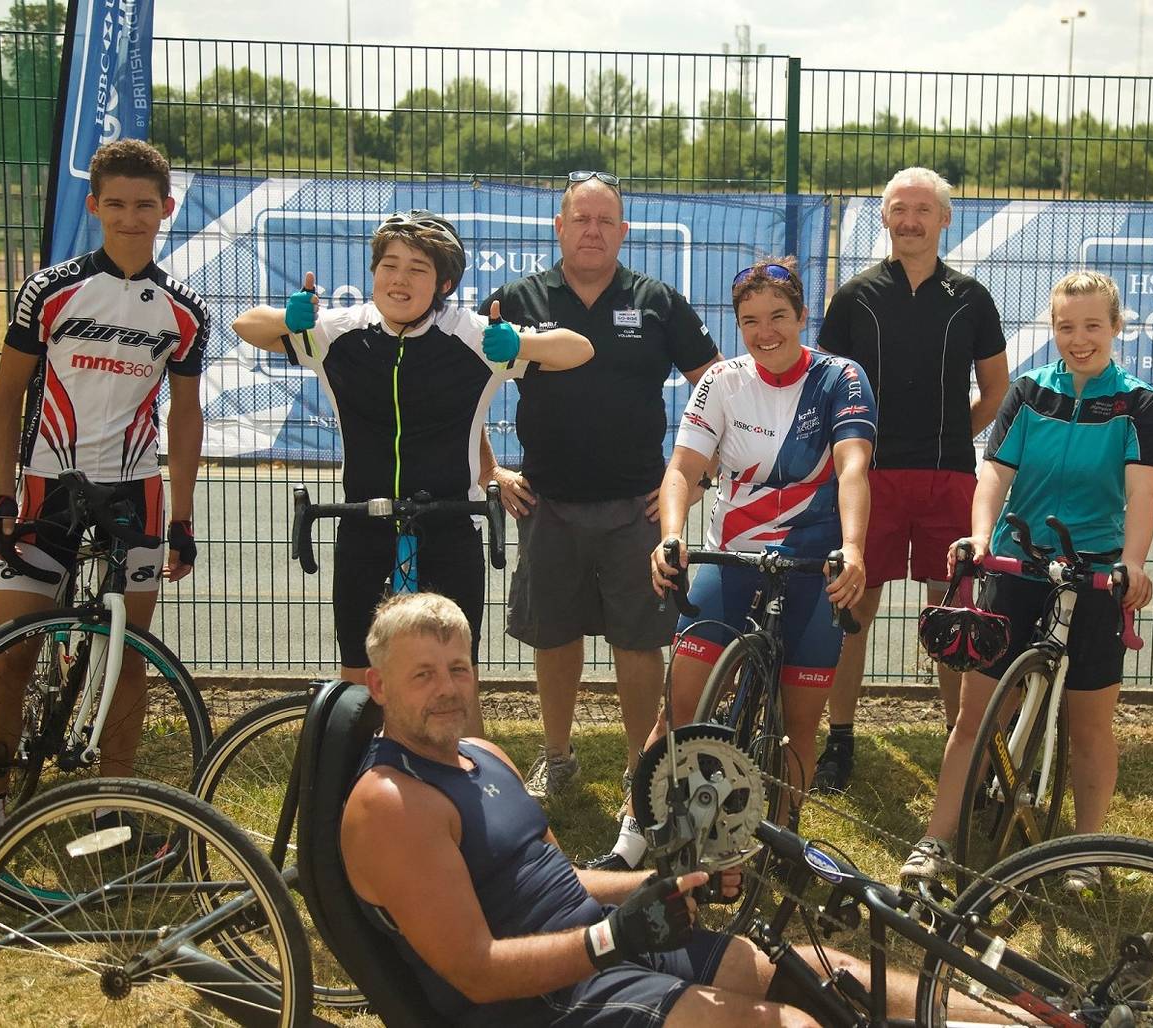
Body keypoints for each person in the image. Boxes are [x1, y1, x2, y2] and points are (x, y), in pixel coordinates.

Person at [342, 591, 1001, 1027]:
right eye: (422, 674)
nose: (448, 688)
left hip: (604, 947)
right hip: (546, 1003)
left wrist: (663, 886)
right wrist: (615, 937)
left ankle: (1030, 1019)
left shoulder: (482, 754)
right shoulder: (391, 804)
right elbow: (477, 973)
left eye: (458, 669)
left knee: (826, 976)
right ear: (377, 685)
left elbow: (560, 879)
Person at [231, 210, 593, 714]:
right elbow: (244, 325)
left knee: (455, 673)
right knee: (359, 672)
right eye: (389, 265)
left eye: (417, 269)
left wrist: (521, 343)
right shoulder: (339, 330)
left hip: (449, 525)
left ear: (443, 283)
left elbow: (579, 349)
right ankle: (361, 777)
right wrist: (288, 321)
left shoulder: (472, 334)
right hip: (364, 521)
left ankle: (461, 784)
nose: (399, 279)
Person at [589, 258, 875, 872]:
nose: (765, 331)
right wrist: (670, 536)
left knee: (800, 724)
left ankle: (784, 840)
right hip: (735, 556)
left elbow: (853, 466)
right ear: (737, 324)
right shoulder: (720, 382)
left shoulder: (840, 377)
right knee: (680, 708)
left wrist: (852, 548)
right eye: (750, 320)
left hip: (813, 565)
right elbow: (683, 472)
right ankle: (634, 835)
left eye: (778, 316)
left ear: (802, 316)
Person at [899, 270, 1153, 886]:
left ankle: (1088, 852)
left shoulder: (1137, 403)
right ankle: (937, 840)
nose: (1079, 339)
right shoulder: (1027, 392)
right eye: (1066, 326)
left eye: (1093, 326)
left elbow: (1143, 493)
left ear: (1116, 328)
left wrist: (1131, 562)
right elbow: (993, 474)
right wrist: (979, 535)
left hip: (1094, 569)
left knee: (1091, 725)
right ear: (1053, 329)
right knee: (977, 716)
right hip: (1016, 563)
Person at [0, 139, 207, 833]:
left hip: (134, 492)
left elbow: (187, 416)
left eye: (145, 205)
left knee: (128, 656)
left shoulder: (183, 309)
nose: (130, 217)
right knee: (9, 649)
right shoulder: (49, 290)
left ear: (166, 209)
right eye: (115, 203)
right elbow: (4, 395)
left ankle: (112, 809)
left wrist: (183, 518)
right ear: (95, 206)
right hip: (46, 486)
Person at [481, 171, 721, 799]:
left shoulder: (657, 301)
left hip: (637, 506)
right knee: (554, 637)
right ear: (558, 228)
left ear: (623, 232)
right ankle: (556, 758)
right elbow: (462, 388)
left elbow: (721, 389)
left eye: (604, 221)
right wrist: (490, 469)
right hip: (546, 502)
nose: (592, 231)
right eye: (579, 220)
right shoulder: (518, 299)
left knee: (638, 644)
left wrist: (688, 484)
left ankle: (640, 770)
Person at [812, 166, 1010, 793]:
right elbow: (824, 387)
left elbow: (997, 391)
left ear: (945, 219)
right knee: (854, 604)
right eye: (898, 209)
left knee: (952, 609)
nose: (910, 220)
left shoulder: (972, 299)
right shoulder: (854, 297)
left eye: (922, 209)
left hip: (950, 474)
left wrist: (954, 434)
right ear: (885, 218)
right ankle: (839, 738)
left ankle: (961, 742)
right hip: (870, 476)